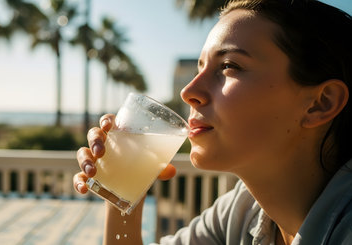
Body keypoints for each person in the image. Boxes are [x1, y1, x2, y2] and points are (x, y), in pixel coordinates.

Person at [73, 0, 352, 244]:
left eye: (229, 66)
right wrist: (122, 194)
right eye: (200, 67)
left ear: (321, 103)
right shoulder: (242, 212)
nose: (188, 92)